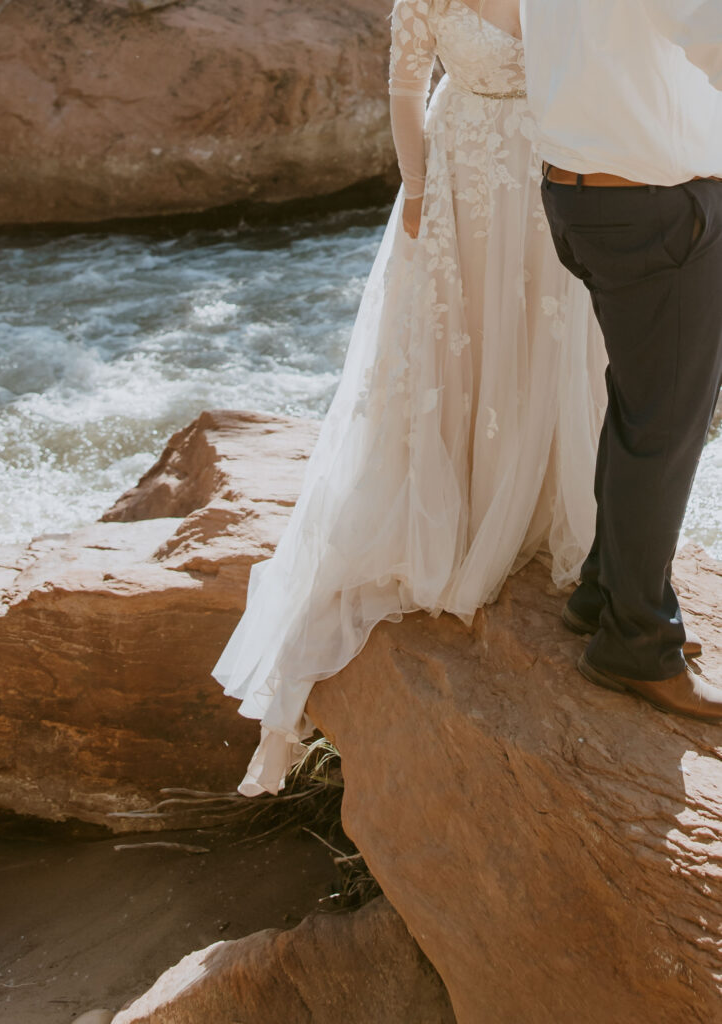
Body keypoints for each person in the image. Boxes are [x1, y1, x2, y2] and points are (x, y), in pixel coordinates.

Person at [211, 0, 640, 798]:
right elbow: (406, 87)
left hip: (554, 173)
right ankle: (463, 503)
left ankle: (539, 498)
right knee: (462, 340)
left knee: (548, 338)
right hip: (461, 176)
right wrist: (416, 189)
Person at [522, 0, 722, 720]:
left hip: (582, 196)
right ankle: (635, 644)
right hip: (654, 207)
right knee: (666, 426)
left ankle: (604, 590)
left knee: (643, 405)